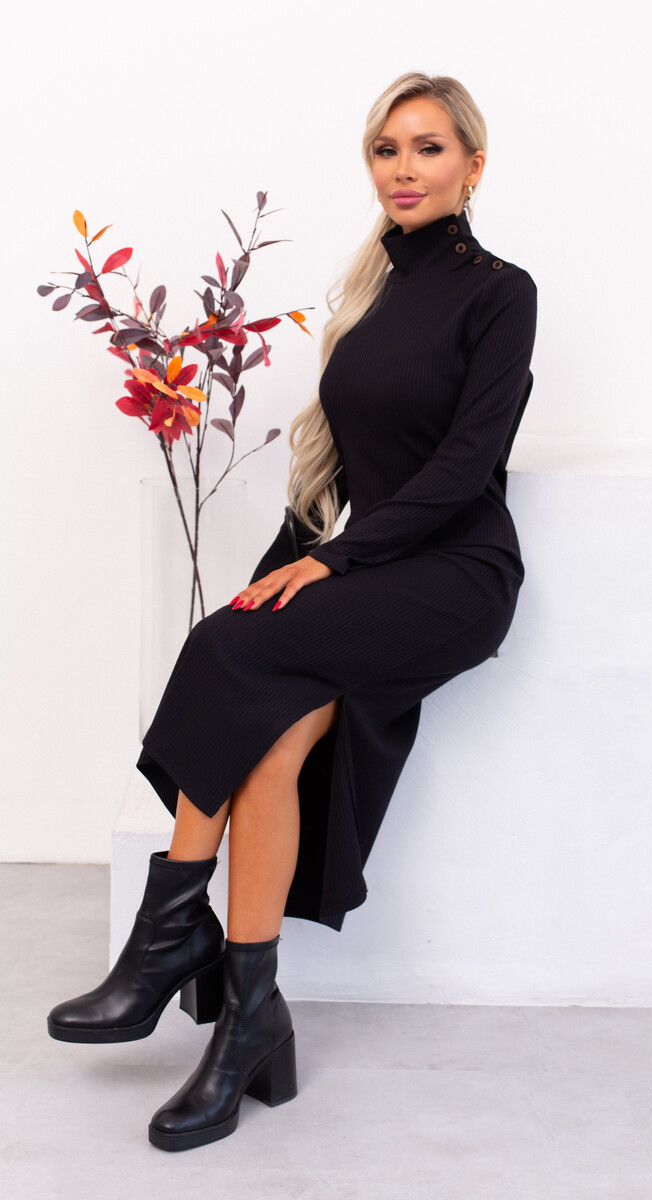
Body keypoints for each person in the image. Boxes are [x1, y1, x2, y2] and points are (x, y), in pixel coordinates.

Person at [46, 70, 538, 1153]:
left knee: (229, 649)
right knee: (268, 726)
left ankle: (167, 940)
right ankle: (250, 1018)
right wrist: (284, 569)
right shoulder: (369, 299)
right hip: (371, 568)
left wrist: (334, 563)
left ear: (472, 165)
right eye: (385, 149)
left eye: (427, 148)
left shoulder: (502, 293)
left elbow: (463, 468)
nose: (403, 169)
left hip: (457, 573)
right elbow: (337, 474)